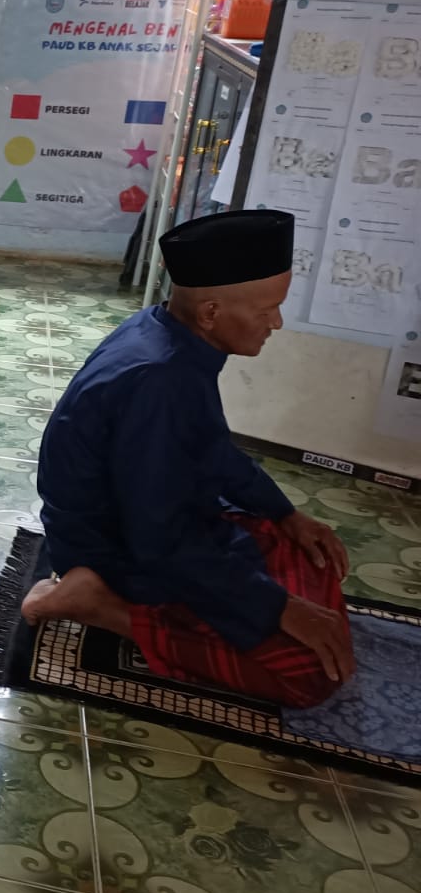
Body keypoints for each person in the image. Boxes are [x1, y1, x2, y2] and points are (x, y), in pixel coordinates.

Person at [27, 209, 353, 707]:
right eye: (268, 310)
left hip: (144, 517)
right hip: (113, 544)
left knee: (307, 553)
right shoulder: (161, 379)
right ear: (211, 314)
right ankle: (99, 604)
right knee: (309, 676)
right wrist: (279, 607)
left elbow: (211, 448)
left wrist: (286, 513)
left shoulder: (161, 330)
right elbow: (158, 538)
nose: (277, 323)